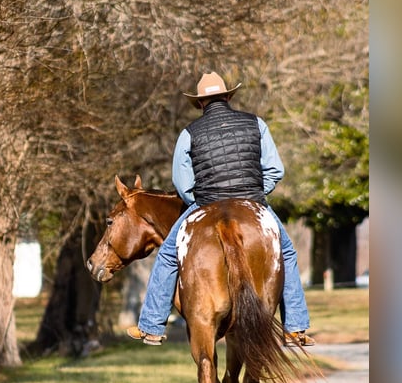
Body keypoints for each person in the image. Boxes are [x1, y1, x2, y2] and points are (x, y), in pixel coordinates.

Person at [126, 71, 314, 347]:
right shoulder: (256, 124)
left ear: (201, 103)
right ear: (227, 97)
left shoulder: (189, 134)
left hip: (206, 202)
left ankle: (152, 326)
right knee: (285, 252)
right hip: (253, 201)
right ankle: (295, 327)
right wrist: (257, 193)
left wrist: (197, 201)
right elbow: (276, 169)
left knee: (167, 254)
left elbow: (182, 183)